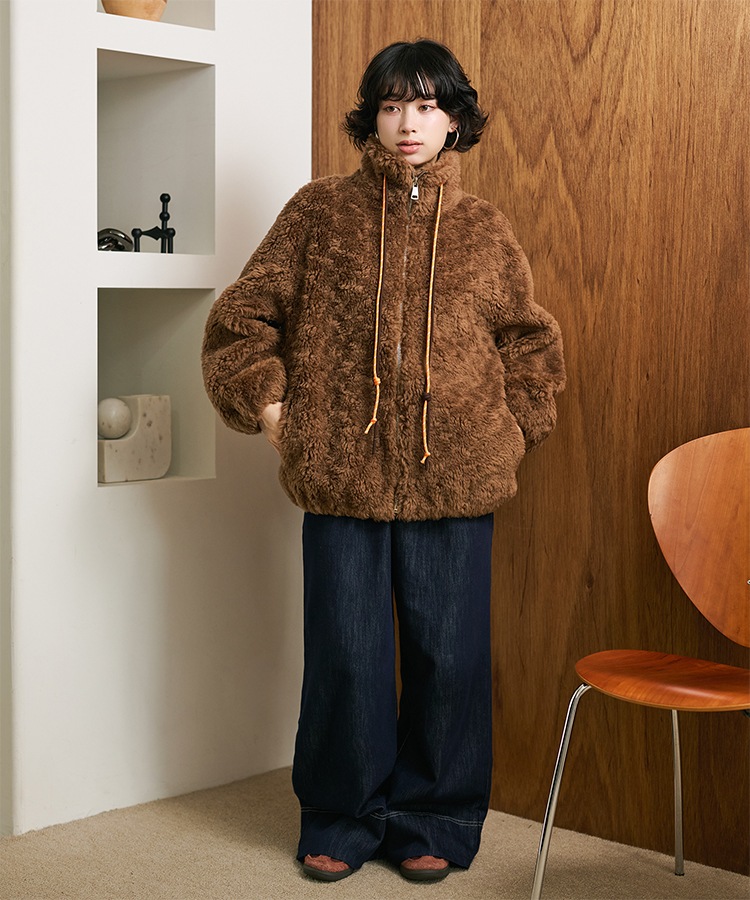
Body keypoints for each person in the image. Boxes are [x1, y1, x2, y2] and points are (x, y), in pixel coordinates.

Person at [201, 39, 565, 884]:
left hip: (456, 477)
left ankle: (436, 816)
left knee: (449, 657)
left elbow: (529, 342)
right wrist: (275, 412)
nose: (410, 123)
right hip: (342, 476)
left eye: (428, 106)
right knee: (347, 654)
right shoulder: (317, 213)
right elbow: (240, 321)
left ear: (455, 121)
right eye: (394, 104)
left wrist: (510, 430)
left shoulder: (484, 229)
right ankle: (341, 815)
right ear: (371, 116)